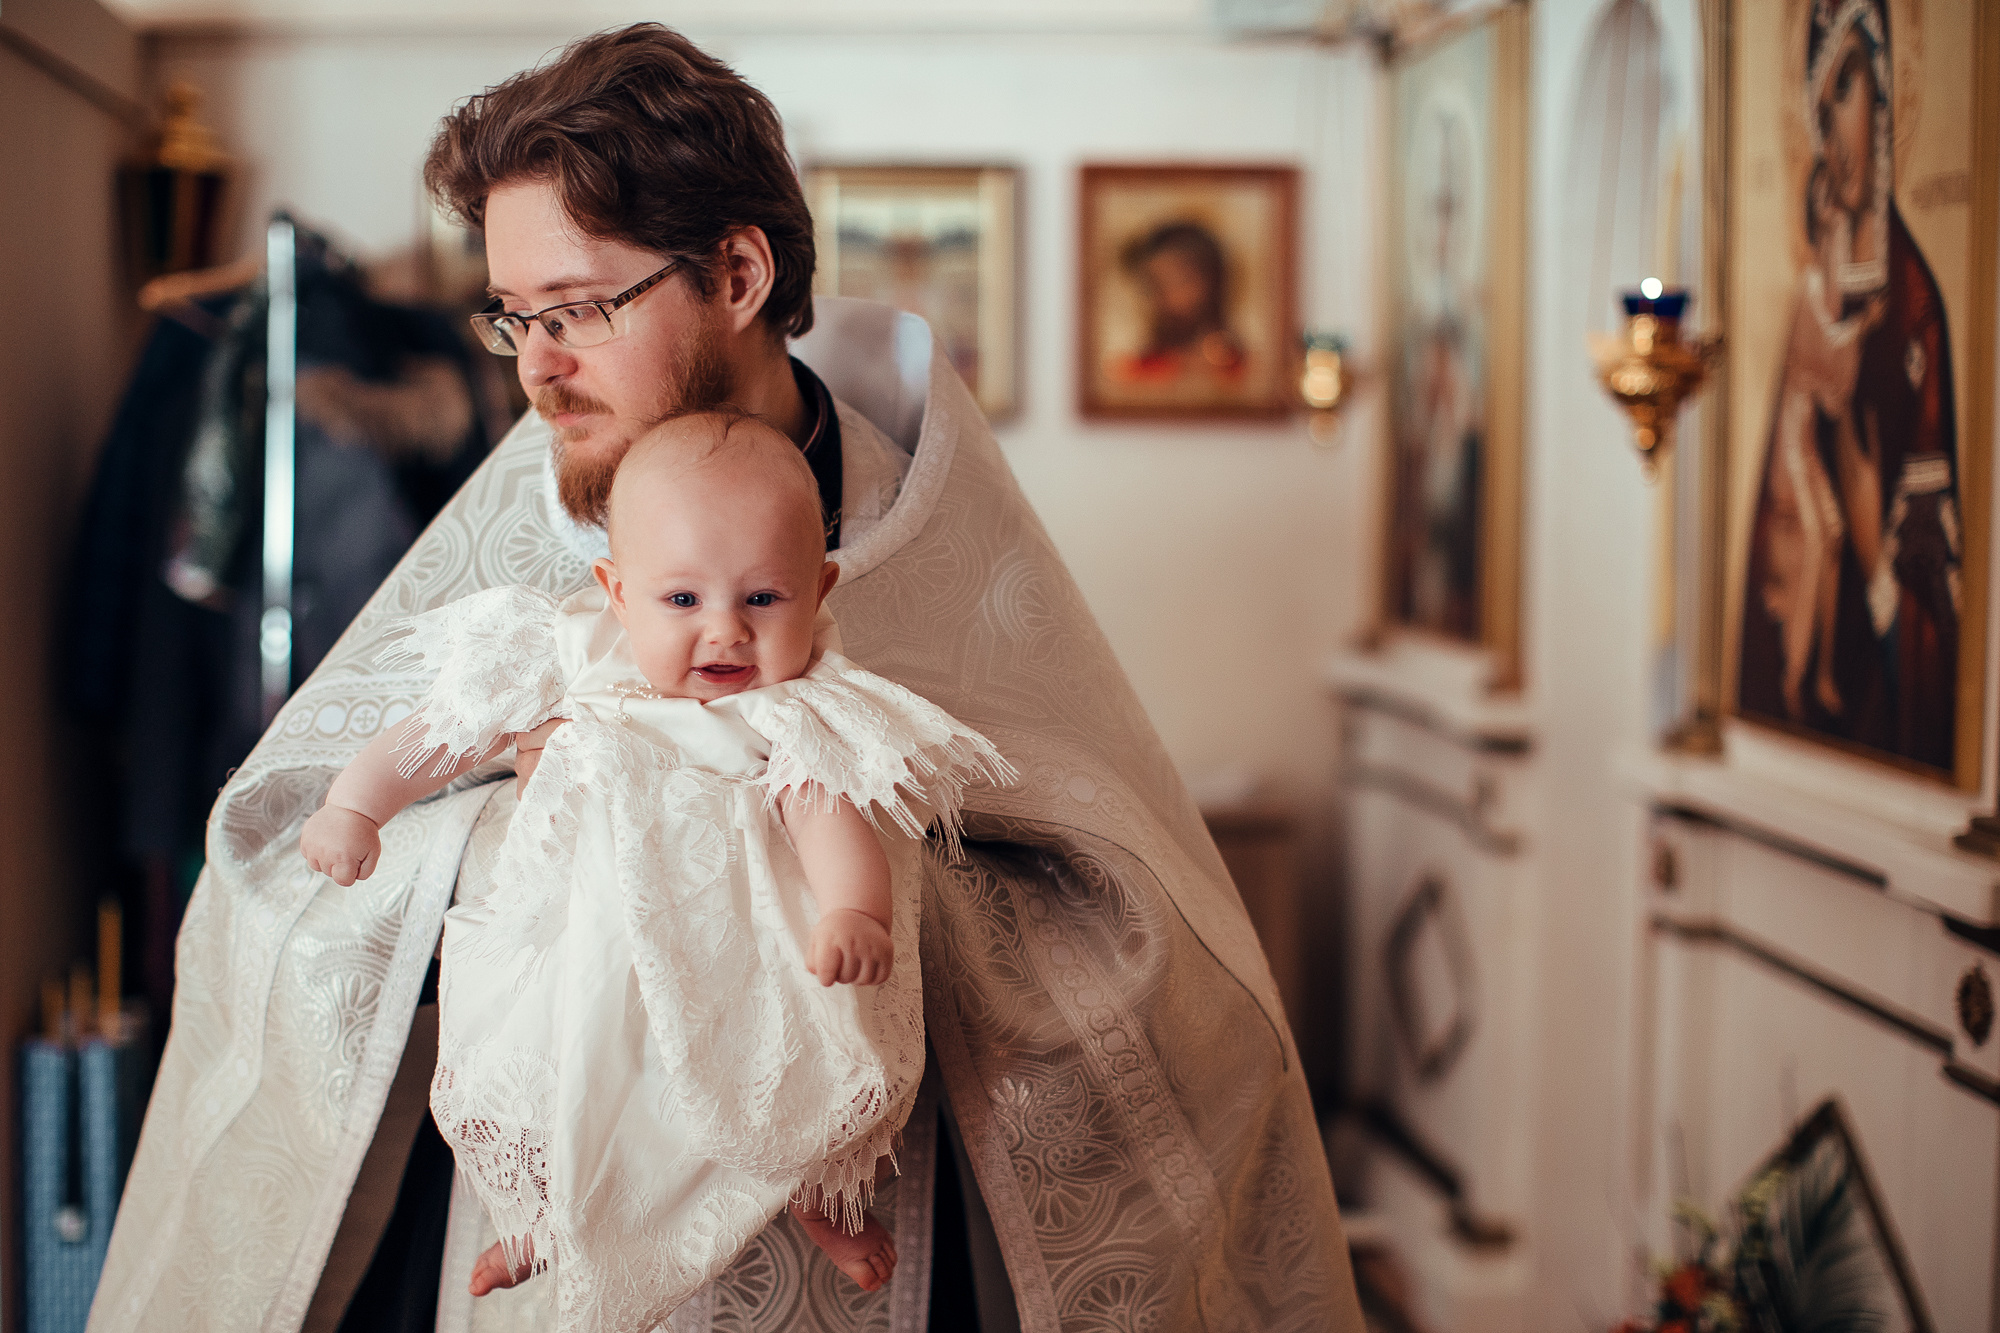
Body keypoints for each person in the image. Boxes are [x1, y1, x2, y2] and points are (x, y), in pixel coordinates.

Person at [92, 24, 1362, 1333]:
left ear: (740, 271)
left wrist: (849, 882)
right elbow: (281, 850)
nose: (535, 367)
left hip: (888, 1233)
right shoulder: (529, 521)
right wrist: (517, 837)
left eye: (576, 309)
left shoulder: (931, 533)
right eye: (515, 317)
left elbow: (1139, 933)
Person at [300, 412, 1010, 1328]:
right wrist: (356, 804)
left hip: (733, 953)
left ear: (818, 587)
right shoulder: (571, 656)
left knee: (779, 1073)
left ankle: (812, 1195)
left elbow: (826, 812)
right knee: (554, 1062)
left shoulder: (791, 709)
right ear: (616, 590)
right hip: (583, 941)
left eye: (764, 599)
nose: (725, 632)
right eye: (682, 602)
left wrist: (853, 911)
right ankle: (544, 1221)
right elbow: (445, 729)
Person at [1739, 0, 1961, 773]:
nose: (1832, 121)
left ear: (1887, 96)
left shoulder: (1916, 307)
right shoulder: (1814, 290)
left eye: (1850, 85)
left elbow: (1940, 608)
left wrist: (1876, 565)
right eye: (1820, 95)